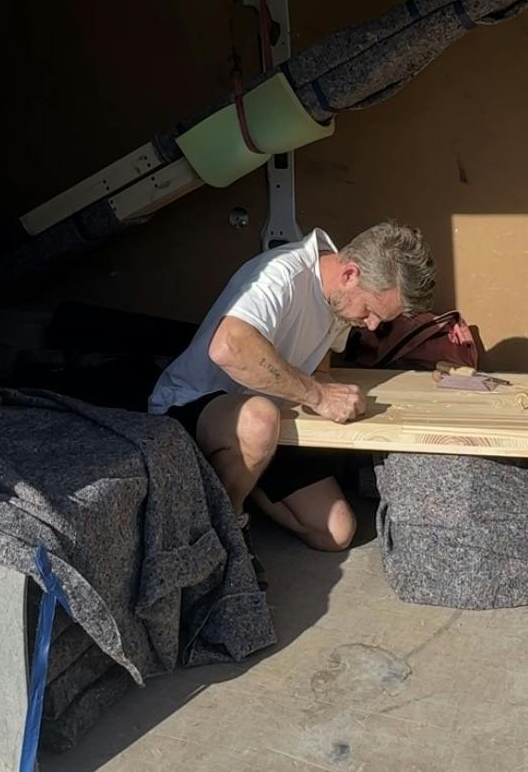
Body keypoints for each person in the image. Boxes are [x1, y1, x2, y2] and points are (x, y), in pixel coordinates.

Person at [149, 222, 435, 552]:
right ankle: (223, 536)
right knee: (259, 420)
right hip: (190, 406)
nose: (371, 325)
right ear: (350, 274)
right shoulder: (282, 274)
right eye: (370, 311)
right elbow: (227, 346)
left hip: (268, 424)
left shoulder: (340, 297)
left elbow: (320, 357)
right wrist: (317, 394)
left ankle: (244, 475)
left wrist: (326, 383)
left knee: (336, 532)